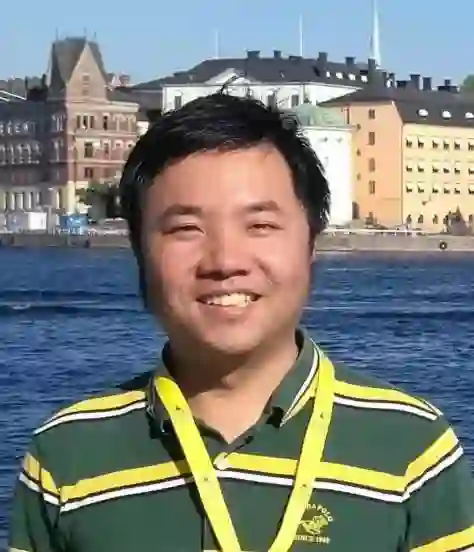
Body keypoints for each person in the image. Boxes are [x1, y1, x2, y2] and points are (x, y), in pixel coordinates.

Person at [8, 93, 474, 552]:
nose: (225, 260)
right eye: (186, 229)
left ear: (311, 245)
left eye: (260, 225)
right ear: (139, 252)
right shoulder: (65, 454)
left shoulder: (414, 448)